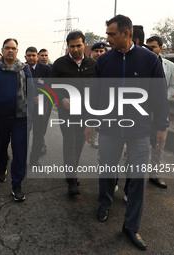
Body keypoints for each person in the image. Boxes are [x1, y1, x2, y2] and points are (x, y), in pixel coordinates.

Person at [85, 15, 169, 250]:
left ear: (126, 34)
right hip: (110, 129)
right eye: (107, 34)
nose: (107, 38)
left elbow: (159, 95)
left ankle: (131, 226)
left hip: (140, 131)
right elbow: (96, 94)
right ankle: (104, 205)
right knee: (107, 170)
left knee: (137, 179)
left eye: (112, 34)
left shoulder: (149, 60)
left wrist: (162, 126)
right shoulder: (104, 61)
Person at [0, 38, 33, 202]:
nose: (10, 50)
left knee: (20, 152)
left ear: (17, 51)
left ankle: (17, 184)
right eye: (7, 48)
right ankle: (2, 167)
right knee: (1, 147)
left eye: (13, 48)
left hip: (21, 117)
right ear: (2, 50)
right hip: (1, 116)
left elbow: (31, 91)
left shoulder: (24, 69)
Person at [50, 30, 95, 196]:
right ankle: (72, 179)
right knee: (70, 142)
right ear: (67, 46)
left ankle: (71, 171)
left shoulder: (92, 64)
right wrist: (61, 99)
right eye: (72, 46)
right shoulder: (59, 64)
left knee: (80, 143)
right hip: (66, 112)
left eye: (79, 45)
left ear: (84, 45)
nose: (75, 49)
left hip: (85, 113)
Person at [146, 35, 174, 188]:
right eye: (148, 47)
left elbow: (172, 85)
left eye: (153, 47)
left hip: (161, 109)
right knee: (139, 141)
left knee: (159, 143)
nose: (150, 50)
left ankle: (154, 174)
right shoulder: (142, 63)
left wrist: (163, 97)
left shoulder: (169, 65)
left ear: (161, 48)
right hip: (143, 109)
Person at [25, 46, 51, 166]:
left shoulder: (46, 69)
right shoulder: (22, 69)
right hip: (24, 106)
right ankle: (21, 159)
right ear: (25, 57)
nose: (31, 57)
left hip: (41, 105)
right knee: (23, 133)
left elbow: (52, 87)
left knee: (39, 134)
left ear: (37, 56)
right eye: (29, 55)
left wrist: (43, 97)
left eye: (33, 55)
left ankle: (34, 160)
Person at [89, 42, 108, 149]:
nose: (99, 53)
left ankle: (96, 137)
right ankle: (93, 136)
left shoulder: (108, 64)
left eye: (101, 51)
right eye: (96, 51)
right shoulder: (88, 64)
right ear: (92, 52)